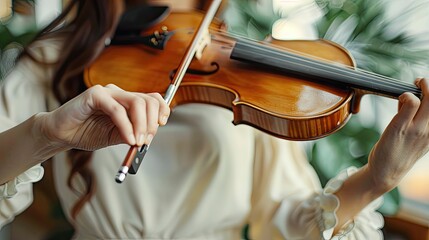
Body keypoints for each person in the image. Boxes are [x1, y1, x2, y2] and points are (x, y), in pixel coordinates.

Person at [1, 0, 428, 239]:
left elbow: (284, 224)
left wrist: (375, 180)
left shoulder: (252, 73)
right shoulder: (52, 60)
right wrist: (45, 134)